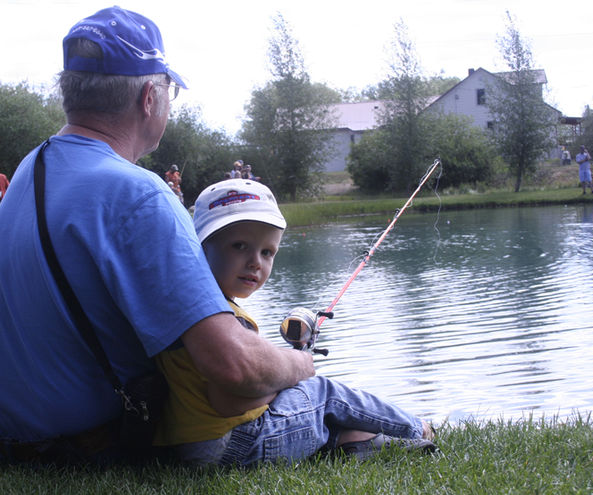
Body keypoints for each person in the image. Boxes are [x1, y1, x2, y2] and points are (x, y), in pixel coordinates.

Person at [0, 7, 313, 464]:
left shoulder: (32, 168)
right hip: (99, 448)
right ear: (150, 97)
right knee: (315, 393)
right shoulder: (137, 192)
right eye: (171, 92)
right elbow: (235, 370)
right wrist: (300, 363)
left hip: (19, 448)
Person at [153, 178, 436, 466]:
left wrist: (275, 371)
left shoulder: (187, 305)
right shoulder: (227, 318)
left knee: (307, 406)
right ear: (201, 248)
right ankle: (416, 426)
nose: (255, 262)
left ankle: (357, 443)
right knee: (321, 392)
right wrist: (286, 372)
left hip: (189, 447)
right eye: (239, 246)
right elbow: (232, 401)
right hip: (235, 446)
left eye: (267, 252)